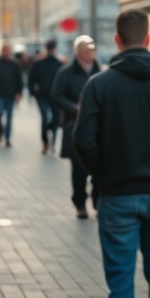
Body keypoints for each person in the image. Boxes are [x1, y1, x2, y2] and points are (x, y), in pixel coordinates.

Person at [74, 10, 150, 298]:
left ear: (117, 40)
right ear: (148, 39)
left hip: (116, 192)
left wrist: (103, 173)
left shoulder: (98, 86)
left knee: (120, 278)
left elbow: (83, 140)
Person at [52, 34, 101, 218]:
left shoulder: (99, 71)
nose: (90, 54)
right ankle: (80, 202)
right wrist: (74, 107)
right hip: (74, 125)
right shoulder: (66, 73)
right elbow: (56, 95)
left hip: (98, 126)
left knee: (99, 167)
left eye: (92, 50)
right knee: (79, 168)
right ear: (79, 52)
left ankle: (97, 200)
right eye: (87, 50)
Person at [0, 41, 24, 147]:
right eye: (4, 50)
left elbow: (19, 80)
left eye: (7, 50)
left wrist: (19, 93)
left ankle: (7, 137)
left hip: (11, 95)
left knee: (9, 118)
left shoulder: (15, 64)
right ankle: (0, 130)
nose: (6, 52)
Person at [27, 39, 63, 154]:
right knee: (53, 119)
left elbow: (31, 80)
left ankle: (46, 143)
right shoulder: (58, 64)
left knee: (46, 119)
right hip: (50, 96)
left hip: (44, 96)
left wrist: (33, 93)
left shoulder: (39, 64)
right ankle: (51, 142)